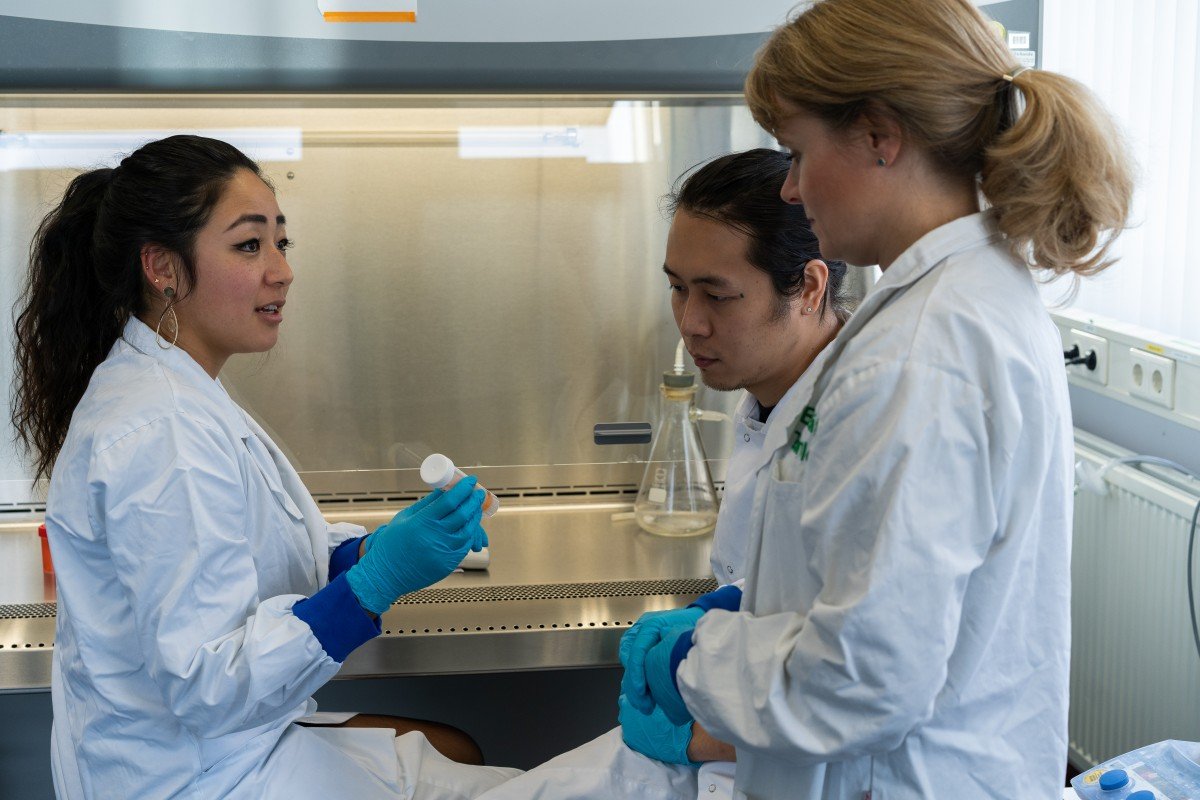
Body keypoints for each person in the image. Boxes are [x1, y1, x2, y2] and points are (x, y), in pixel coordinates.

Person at [619, 1, 1135, 798]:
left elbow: (861, 683)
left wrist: (700, 657)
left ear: (878, 136)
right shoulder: (968, 297)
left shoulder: (916, 352)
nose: (792, 188)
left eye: (797, 152)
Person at [10, 135, 521, 799]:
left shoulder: (174, 388)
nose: (282, 271)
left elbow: (250, 554)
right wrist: (377, 579)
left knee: (462, 757)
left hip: (225, 752)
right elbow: (211, 685)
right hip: (201, 777)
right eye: (250, 245)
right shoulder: (160, 429)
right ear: (162, 267)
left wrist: (373, 550)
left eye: (282, 242)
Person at [476, 148, 849, 800]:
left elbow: (862, 683)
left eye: (717, 295)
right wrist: (717, 611)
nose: (690, 323)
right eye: (678, 287)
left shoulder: (860, 423)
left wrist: (700, 741)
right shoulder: (772, 401)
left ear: (809, 288)